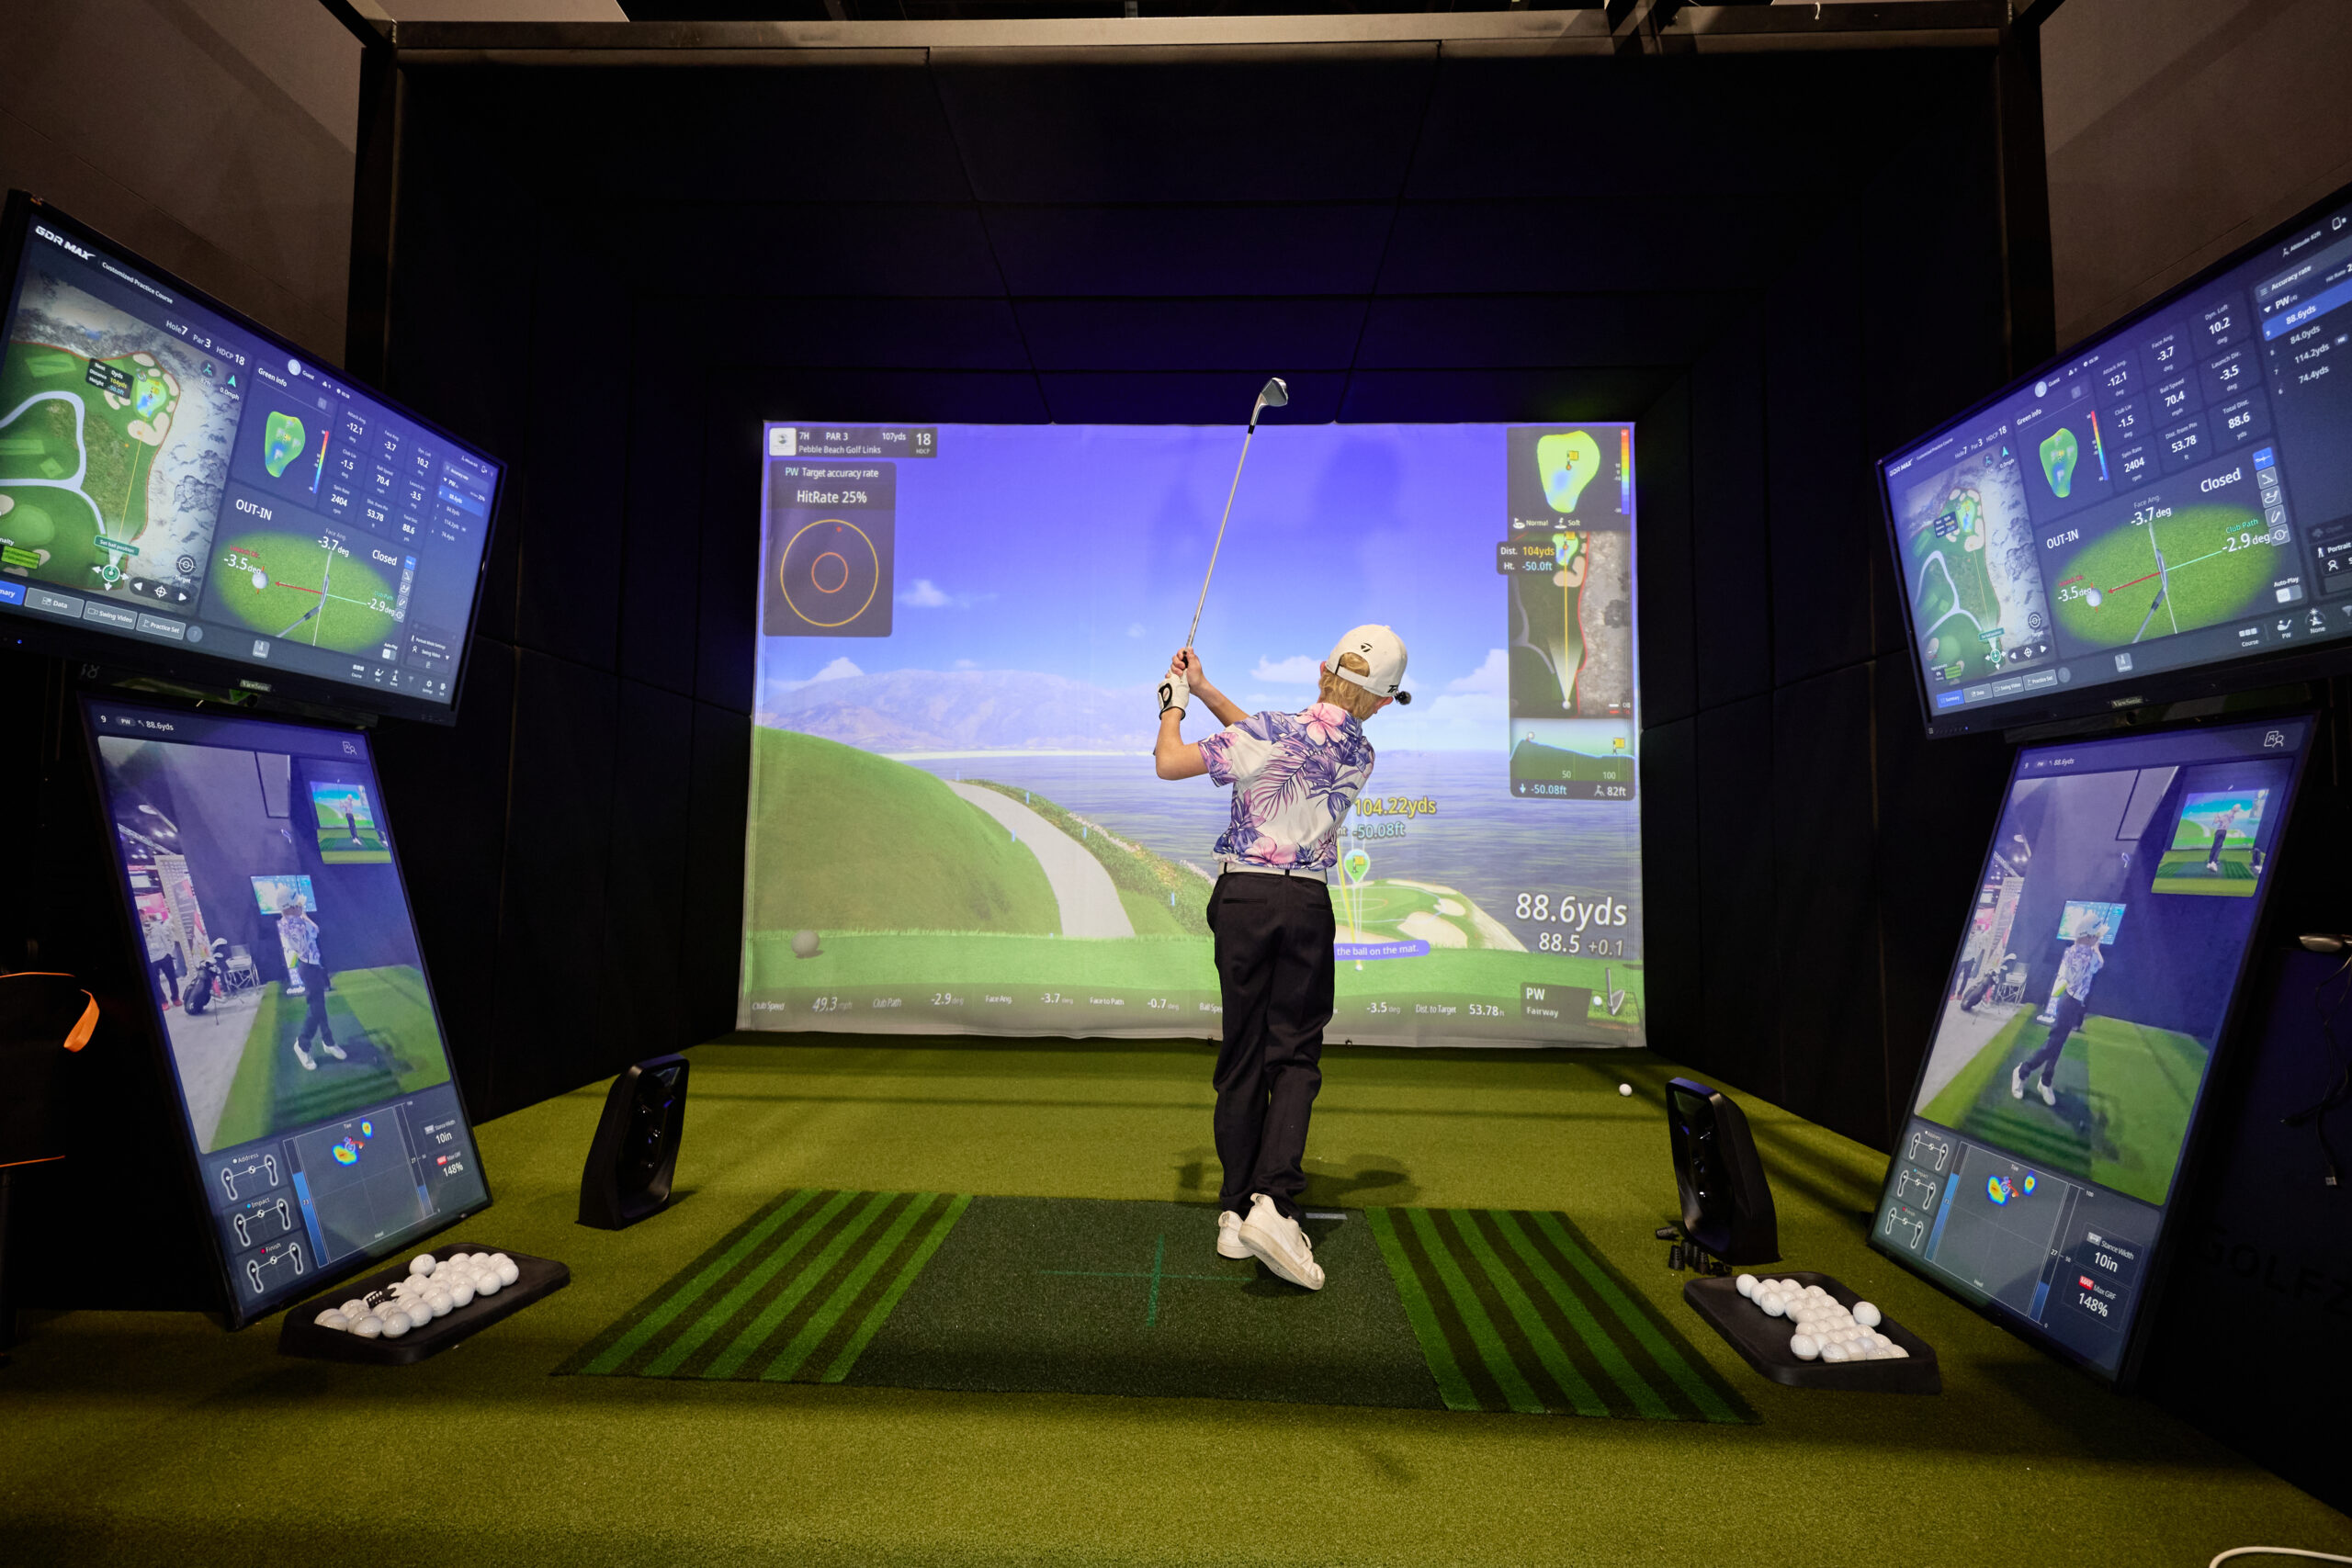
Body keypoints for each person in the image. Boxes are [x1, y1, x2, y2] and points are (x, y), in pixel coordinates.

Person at [1153, 625, 1408, 1291]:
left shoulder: (1271, 729)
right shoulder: (1360, 752)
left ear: (1322, 670)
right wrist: (1206, 688)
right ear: (1381, 701)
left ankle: (1238, 1212)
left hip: (1243, 900)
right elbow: (1271, 747)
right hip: (1304, 908)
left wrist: (1173, 702)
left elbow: (1170, 761)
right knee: (1292, 1054)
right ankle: (1275, 1201)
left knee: (1242, 1054)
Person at [2013, 912, 2105, 1106]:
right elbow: (2075, 978)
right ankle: (2022, 1071)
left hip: (2076, 1004)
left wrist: (2094, 948)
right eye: (2095, 935)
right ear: (2087, 935)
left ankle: (2045, 1081)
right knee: (2053, 1044)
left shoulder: (2089, 951)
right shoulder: (2073, 953)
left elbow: (2099, 965)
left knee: (2058, 1044)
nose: (2098, 938)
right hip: (2068, 1002)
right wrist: (2092, 951)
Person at [275, 893, 345, 1070]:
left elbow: (314, 930)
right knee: (316, 1009)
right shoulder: (292, 924)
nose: (300, 907)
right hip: (308, 968)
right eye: (297, 905)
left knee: (319, 1006)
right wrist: (303, 917)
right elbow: (313, 932)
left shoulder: (295, 919)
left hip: (314, 966)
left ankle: (328, 1042)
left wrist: (302, 916)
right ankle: (302, 1044)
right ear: (289, 907)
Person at [142, 911, 182, 1010]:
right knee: (156, 983)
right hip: (151, 959)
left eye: (142, 914)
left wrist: (169, 953)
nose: (141, 917)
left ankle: (175, 998)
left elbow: (164, 938)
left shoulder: (156, 926)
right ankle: (163, 1001)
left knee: (172, 978)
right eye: (139, 915)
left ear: (145, 915)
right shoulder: (138, 930)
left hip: (164, 956)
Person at [2205, 803, 2245, 874]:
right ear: (2235, 809)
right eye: (2237, 809)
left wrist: (2217, 817)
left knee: (2214, 847)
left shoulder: (2229, 815)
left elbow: (2216, 821)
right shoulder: (2230, 815)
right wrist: (2217, 817)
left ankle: (2210, 862)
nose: (2236, 811)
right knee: (2218, 848)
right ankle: (2213, 863)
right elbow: (2220, 819)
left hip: (2218, 831)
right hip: (2222, 832)